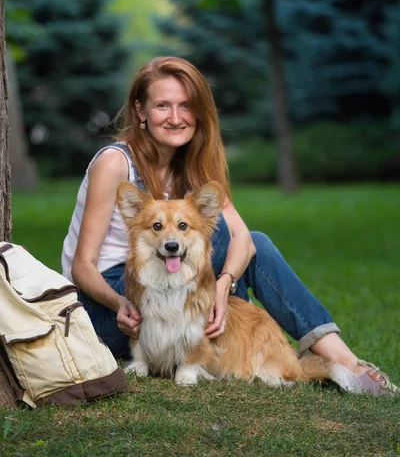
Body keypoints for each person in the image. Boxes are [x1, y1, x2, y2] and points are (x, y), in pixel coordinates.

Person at [62, 56, 398, 397]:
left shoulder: (191, 165)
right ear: (141, 110)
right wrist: (121, 304)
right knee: (219, 234)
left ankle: (345, 363)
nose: (176, 118)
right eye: (163, 105)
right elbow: (82, 266)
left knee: (252, 240)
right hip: (113, 305)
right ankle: (231, 350)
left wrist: (222, 288)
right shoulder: (114, 163)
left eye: (186, 106)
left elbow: (246, 242)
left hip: (170, 292)